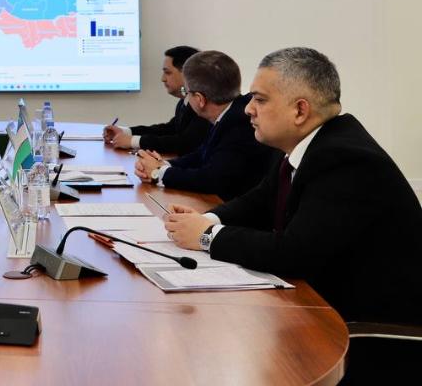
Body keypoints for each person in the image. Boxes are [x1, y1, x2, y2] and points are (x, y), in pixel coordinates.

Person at [165, 47, 422, 381]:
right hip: (322, 306)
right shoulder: (308, 144)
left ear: (300, 110)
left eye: (259, 99)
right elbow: (260, 200)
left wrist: (204, 236)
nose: (248, 109)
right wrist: (209, 220)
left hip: (373, 332)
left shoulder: (346, 159)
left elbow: (293, 253)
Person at [134, 50, 275, 200]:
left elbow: (211, 179)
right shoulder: (227, 113)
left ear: (200, 99)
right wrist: (165, 165)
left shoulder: (240, 122)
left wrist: (158, 173)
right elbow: (201, 154)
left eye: (186, 92)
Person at [103, 45, 210, 156]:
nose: (163, 79)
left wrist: (133, 141)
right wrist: (126, 132)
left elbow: (184, 143)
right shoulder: (184, 101)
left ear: (186, 73)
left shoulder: (202, 105)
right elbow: (169, 129)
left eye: (167, 72)